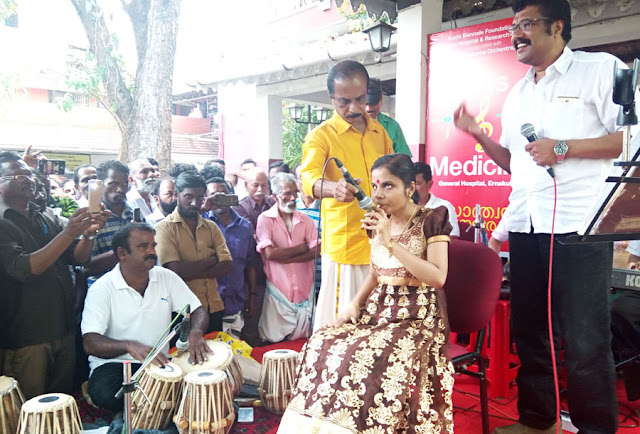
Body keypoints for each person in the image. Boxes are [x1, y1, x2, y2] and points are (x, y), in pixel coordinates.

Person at [453, 1, 623, 432]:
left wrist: (562, 147)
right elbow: (516, 163)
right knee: (531, 331)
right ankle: (538, 421)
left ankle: (596, 428)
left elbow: (627, 138)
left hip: (580, 226)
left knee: (585, 338)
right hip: (529, 226)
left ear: (557, 26)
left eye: (526, 24)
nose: (516, 34)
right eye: (513, 26)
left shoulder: (600, 69)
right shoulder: (519, 93)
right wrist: (476, 134)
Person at [279, 154, 453, 432]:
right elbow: (375, 272)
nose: (379, 194)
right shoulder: (378, 219)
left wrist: (390, 241)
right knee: (322, 343)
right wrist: (353, 304)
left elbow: (438, 277)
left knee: (366, 355)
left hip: (417, 315)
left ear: (410, 189)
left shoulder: (432, 219)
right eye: (375, 185)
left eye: (388, 186)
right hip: (379, 308)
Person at [0, 151, 107, 399]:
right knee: (30, 408)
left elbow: (78, 258)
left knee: (59, 407)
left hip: (63, 328)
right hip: (26, 336)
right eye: (17, 175)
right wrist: (69, 232)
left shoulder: (45, 214)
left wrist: (89, 233)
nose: (27, 179)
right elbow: (27, 267)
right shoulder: (3, 223)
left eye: (28, 173)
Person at [300, 60, 393, 330]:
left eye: (359, 99)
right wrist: (333, 188)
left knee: (375, 323)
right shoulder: (321, 136)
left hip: (381, 242)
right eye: (343, 102)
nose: (353, 109)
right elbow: (308, 179)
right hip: (346, 246)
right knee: (342, 325)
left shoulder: (380, 132)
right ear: (331, 98)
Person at [81, 223, 210, 411]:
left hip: (161, 363)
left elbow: (197, 309)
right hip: (116, 365)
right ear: (122, 253)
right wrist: (128, 346)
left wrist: (196, 331)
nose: (152, 252)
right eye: (143, 247)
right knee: (108, 393)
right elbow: (90, 343)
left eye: (153, 245)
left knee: (202, 386)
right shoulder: (102, 289)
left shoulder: (166, 277)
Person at [155, 172, 233, 334]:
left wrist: (191, 270)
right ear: (176, 194)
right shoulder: (163, 228)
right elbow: (174, 271)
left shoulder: (211, 227)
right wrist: (210, 261)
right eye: (188, 196)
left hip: (213, 306)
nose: (194, 203)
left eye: (200, 198)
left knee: (216, 355)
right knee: (182, 357)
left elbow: (226, 265)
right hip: (181, 310)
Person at [255, 173, 318, 343]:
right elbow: (270, 254)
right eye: (287, 194)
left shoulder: (305, 220)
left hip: (305, 289)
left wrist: (288, 258)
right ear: (275, 196)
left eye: (294, 193)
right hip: (278, 289)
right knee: (274, 341)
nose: (292, 198)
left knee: (305, 341)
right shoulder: (265, 219)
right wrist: (302, 248)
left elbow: (317, 251)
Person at [202, 177, 257, 339]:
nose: (219, 198)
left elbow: (250, 264)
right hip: (207, 307)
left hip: (235, 304)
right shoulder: (200, 224)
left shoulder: (244, 226)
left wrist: (252, 296)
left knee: (233, 356)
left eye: (223, 194)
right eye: (214, 194)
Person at [84, 160, 135, 280]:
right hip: (102, 288)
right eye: (113, 183)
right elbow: (86, 265)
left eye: (125, 183)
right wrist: (127, 247)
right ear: (100, 186)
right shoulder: (90, 217)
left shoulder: (133, 214)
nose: (121, 189)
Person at [366, 78, 412, 157]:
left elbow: (403, 159)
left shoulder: (393, 126)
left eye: (373, 103)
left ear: (381, 99)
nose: (368, 108)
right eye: (365, 104)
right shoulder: (351, 126)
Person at [413, 162, 460, 238]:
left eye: (417, 183)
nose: (412, 188)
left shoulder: (443, 207)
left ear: (429, 184)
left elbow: (453, 237)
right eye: (409, 183)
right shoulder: (402, 206)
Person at [232, 167, 275, 233]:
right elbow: (251, 233)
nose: (260, 189)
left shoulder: (274, 202)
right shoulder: (239, 207)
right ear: (246, 185)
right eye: (255, 185)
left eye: (263, 185)